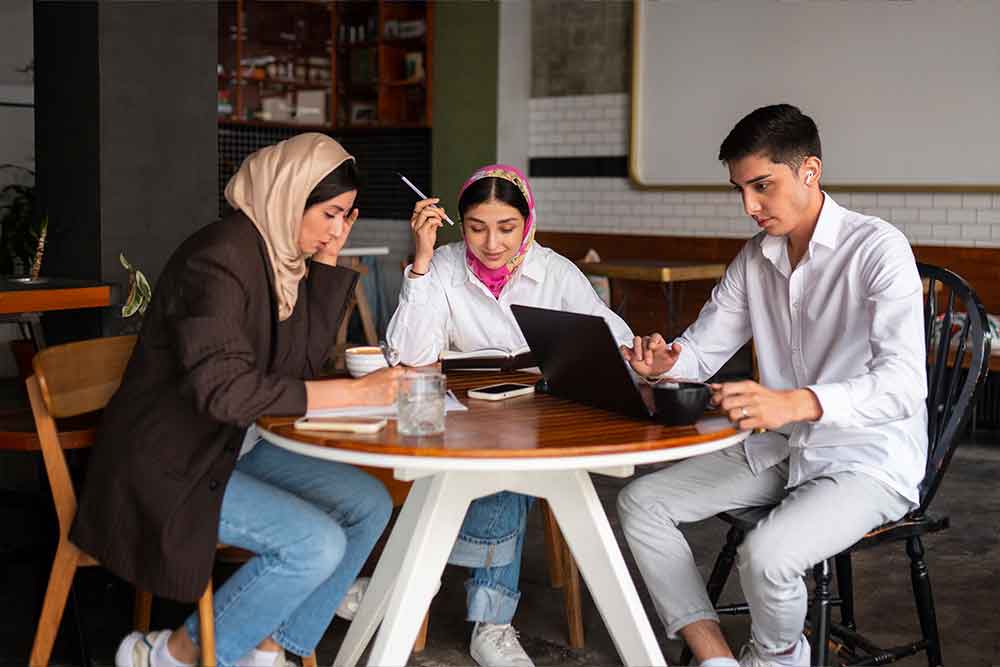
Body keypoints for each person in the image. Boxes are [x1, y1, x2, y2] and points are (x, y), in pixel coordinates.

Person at [70, 133, 404, 667]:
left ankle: (266, 651)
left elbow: (296, 369)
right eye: (331, 215)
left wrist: (326, 264)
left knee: (369, 505)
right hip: (169, 463)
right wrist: (353, 392)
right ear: (290, 195)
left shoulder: (282, 261)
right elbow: (224, 392)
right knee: (315, 544)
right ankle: (169, 655)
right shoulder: (220, 257)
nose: (338, 230)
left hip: (231, 448)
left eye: (348, 217)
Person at [616, 105, 927, 667]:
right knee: (642, 502)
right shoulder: (755, 259)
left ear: (810, 170)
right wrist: (666, 364)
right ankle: (714, 657)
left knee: (764, 556)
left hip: (866, 458)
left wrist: (794, 403)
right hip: (782, 449)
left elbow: (904, 384)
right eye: (739, 189)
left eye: (763, 186)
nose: (749, 207)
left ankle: (776, 657)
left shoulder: (879, 248)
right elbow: (705, 348)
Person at [385, 164, 635, 667]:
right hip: (459, 420)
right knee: (500, 460)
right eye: (476, 228)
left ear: (529, 224)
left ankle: (413, 581)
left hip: (538, 419)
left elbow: (617, 341)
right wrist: (422, 260)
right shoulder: (443, 266)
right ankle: (480, 615)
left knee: (513, 460)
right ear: (458, 223)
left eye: (506, 228)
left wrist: (632, 353)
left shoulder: (556, 271)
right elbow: (407, 357)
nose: (491, 243)